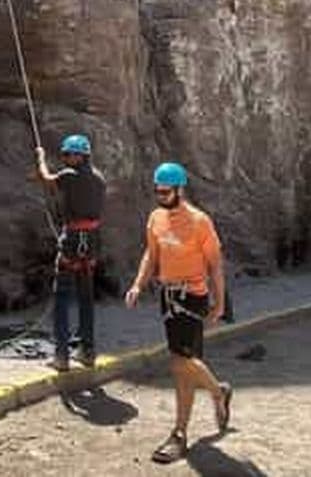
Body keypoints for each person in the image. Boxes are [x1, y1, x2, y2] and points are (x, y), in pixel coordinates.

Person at [125, 162, 232, 464]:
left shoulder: (200, 221)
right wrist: (137, 284)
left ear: (179, 189)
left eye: (166, 191)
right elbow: (151, 254)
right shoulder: (156, 218)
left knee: (181, 361)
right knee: (182, 367)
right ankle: (185, 427)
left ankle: (213, 395)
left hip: (192, 297)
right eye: (157, 191)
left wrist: (220, 303)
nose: (161, 196)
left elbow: (215, 265)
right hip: (167, 296)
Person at [36, 133, 106, 372]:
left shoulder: (68, 176)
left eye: (69, 155)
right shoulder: (99, 179)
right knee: (86, 297)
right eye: (65, 155)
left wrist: (41, 158)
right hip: (92, 241)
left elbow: (46, 178)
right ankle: (88, 351)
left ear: (81, 155)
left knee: (62, 297)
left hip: (73, 239)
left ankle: (62, 356)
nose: (66, 159)